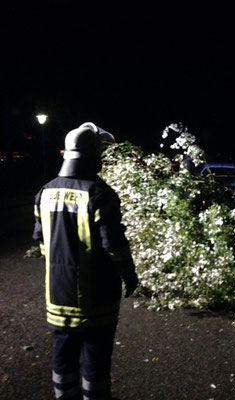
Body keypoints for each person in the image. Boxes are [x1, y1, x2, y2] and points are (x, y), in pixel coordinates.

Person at [33, 122, 138, 400]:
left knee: (62, 355)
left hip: (58, 294)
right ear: (92, 156)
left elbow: (42, 243)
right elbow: (113, 246)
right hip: (97, 296)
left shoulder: (44, 192)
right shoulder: (100, 194)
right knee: (95, 357)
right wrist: (129, 273)